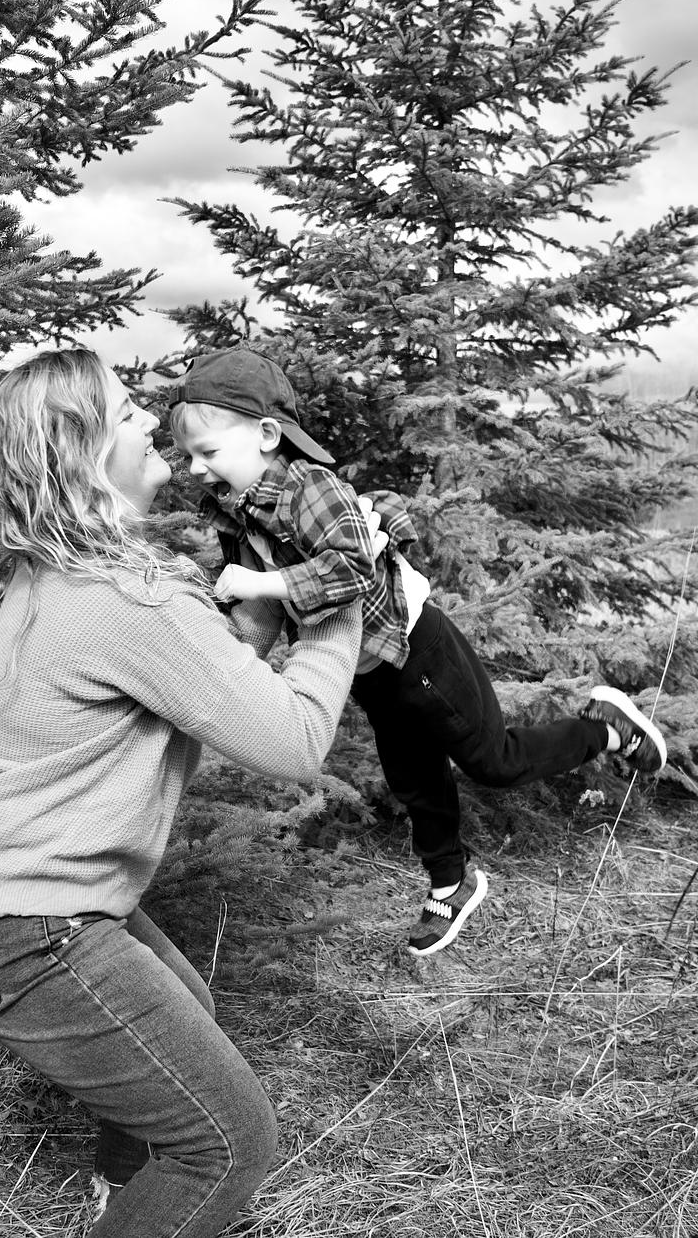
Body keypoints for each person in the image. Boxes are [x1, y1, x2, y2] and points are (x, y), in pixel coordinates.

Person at [0, 347, 364, 1238]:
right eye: (126, 412)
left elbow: (200, 673)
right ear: (84, 456)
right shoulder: (128, 599)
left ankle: (126, 1205)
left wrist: (272, 601)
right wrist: (344, 596)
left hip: (1, 905)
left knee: (186, 1018)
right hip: (25, 926)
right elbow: (294, 740)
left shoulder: (47, 577)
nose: (153, 419)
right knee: (227, 1144)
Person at [168, 346, 668, 958]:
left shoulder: (309, 488)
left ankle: (606, 728)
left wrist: (260, 582)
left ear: (268, 436)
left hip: (416, 651)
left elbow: (350, 569)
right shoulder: (238, 510)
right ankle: (452, 883)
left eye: (208, 452)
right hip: (370, 671)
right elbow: (260, 607)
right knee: (414, 780)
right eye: (188, 456)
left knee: (495, 762)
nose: (196, 469)